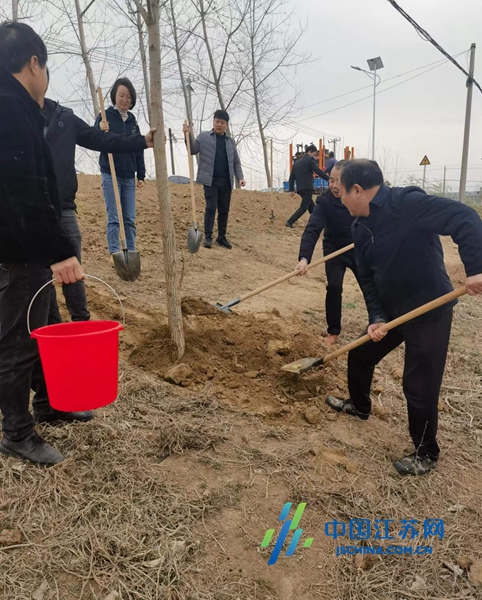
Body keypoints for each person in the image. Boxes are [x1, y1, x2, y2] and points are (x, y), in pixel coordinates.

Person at [325, 159, 482, 476]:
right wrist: (378, 316)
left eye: (340, 192)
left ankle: (426, 452)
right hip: (394, 310)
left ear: (357, 190)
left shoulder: (406, 203)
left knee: (419, 384)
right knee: (360, 353)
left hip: (430, 309)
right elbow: (368, 279)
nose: (338, 199)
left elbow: (464, 217)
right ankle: (359, 405)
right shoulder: (359, 226)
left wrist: (476, 267)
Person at [0, 21, 87, 466]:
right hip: (17, 251)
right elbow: (25, 191)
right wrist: (59, 252)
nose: (46, 78)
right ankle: (16, 433)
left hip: (29, 249)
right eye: (46, 68)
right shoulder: (9, 109)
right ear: (34, 64)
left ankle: (48, 403)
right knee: (17, 341)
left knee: (42, 332)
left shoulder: (21, 109)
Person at [41, 80, 155, 323]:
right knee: (40, 276)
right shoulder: (16, 117)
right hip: (29, 210)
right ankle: (51, 327)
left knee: (73, 270)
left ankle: (81, 322)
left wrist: (142, 141)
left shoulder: (65, 118)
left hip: (64, 207)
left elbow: (102, 141)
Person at [295, 161, 361, 345]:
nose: (333, 185)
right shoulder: (324, 201)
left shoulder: (360, 198)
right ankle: (333, 331)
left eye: (338, 181)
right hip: (334, 249)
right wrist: (304, 258)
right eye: (330, 180)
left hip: (358, 247)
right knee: (334, 287)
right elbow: (312, 229)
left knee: (369, 284)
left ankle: (377, 321)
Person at [94, 77, 145, 260]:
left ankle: (131, 252)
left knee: (129, 218)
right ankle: (115, 252)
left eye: (128, 96)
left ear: (132, 100)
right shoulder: (105, 117)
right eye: (121, 95)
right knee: (114, 217)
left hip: (128, 175)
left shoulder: (133, 122)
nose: (125, 99)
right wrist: (100, 130)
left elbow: (139, 148)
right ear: (114, 96)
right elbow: (94, 140)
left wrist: (141, 174)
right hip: (110, 173)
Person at [182, 110, 246, 249]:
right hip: (210, 181)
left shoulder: (230, 142)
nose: (219, 125)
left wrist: (240, 177)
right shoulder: (204, 137)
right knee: (211, 208)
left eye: (222, 123)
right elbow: (192, 150)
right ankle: (209, 237)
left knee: (224, 210)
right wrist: (188, 134)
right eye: (217, 121)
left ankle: (221, 237)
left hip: (226, 181)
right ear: (213, 122)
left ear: (226, 125)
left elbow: (236, 162)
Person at [286, 144, 329, 228]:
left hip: (300, 189)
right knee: (303, 207)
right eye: (314, 154)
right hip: (307, 187)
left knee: (312, 208)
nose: (314, 156)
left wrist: (291, 189)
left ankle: (320, 224)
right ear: (309, 152)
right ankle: (290, 221)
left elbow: (291, 177)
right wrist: (328, 179)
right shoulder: (309, 160)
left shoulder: (297, 163)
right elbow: (317, 171)